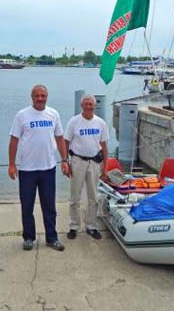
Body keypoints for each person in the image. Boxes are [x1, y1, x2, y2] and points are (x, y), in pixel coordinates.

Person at [8, 84, 70, 251]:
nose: (40, 98)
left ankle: (52, 238)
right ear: (32, 97)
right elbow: (14, 140)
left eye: (43, 95)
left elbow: (60, 138)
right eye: (37, 95)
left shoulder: (53, 114)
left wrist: (65, 160)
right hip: (27, 170)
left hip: (48, 169)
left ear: (47, 96)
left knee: (49, 206)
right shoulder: (22, 115)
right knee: (27, 206)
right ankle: (28, 237)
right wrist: (12, 164)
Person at [65, 94, 109, 240]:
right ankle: (74, 225)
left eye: (91, 104)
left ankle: (91, 225)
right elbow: (66, 142)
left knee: (93, 196)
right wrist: (65, 162)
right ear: (81, 106)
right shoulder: (74, 122)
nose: (89, 107)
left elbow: (104, 146)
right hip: (77, 161)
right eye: (86, 104)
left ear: (94, 106)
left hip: (95, 162)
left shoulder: (101, 123)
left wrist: (105, 166)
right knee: (75, 196)